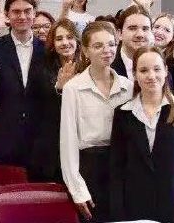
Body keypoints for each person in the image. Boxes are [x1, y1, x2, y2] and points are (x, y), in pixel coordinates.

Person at [109, 46, 174, 223]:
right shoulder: (123, 113)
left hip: (173, 209)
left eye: (157, 69)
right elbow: (117, 169)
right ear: (135, 74)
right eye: (143, 70)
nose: (151, 76)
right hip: (133, 209)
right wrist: (119, 214)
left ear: (166, 71)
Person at [59, 21, 133, 222]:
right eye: (98, 46)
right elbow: (68, 142)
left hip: (123, 166)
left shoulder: (129, 87)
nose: (107, 50)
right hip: (90, 168)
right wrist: (77, 189)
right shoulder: (73, 88)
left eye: (111, 44)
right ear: (85, 50)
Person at [0, 0, 49, 174]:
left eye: (27, 11)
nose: (22, 16)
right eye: (16, 12)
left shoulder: (48, 50)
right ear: (7, 15)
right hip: (1, 141)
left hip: (38, 143)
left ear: (34, 13)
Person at [32, 18, 79, 182]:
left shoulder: (88, 67)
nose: (65, 43)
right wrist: (59, 89)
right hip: (52, 142)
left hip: (81, 142)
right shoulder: (41, 68)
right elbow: (40, 108)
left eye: (70, 37)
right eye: (59, 39)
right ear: (53, 43)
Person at [112, 5, 154, 80]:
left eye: (145, 29)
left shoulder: (160, 67)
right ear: (120, 34)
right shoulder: (107, 67)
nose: (140, 34)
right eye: (132, 28)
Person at [152, 13, 174, 89]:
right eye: (157, 27)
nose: (159, 32)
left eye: (167, 30)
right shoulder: (140, 52)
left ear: (173, 37)